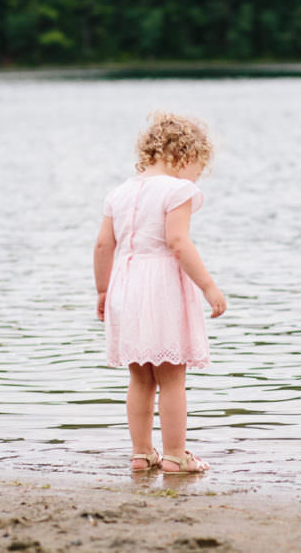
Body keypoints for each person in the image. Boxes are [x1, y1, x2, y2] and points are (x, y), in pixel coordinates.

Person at [94, 111, 226, 475]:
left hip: (125, 284)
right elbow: (178, 242)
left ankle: (141, 453)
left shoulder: (118, 192)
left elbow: (104, 245)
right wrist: (208, 286)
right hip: (161, 284)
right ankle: (175, 454)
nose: (196, 177)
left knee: (139, 377)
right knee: (171, 378)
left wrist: (103, 291)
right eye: (198, 169)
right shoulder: (177, 189)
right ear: (184, 158)